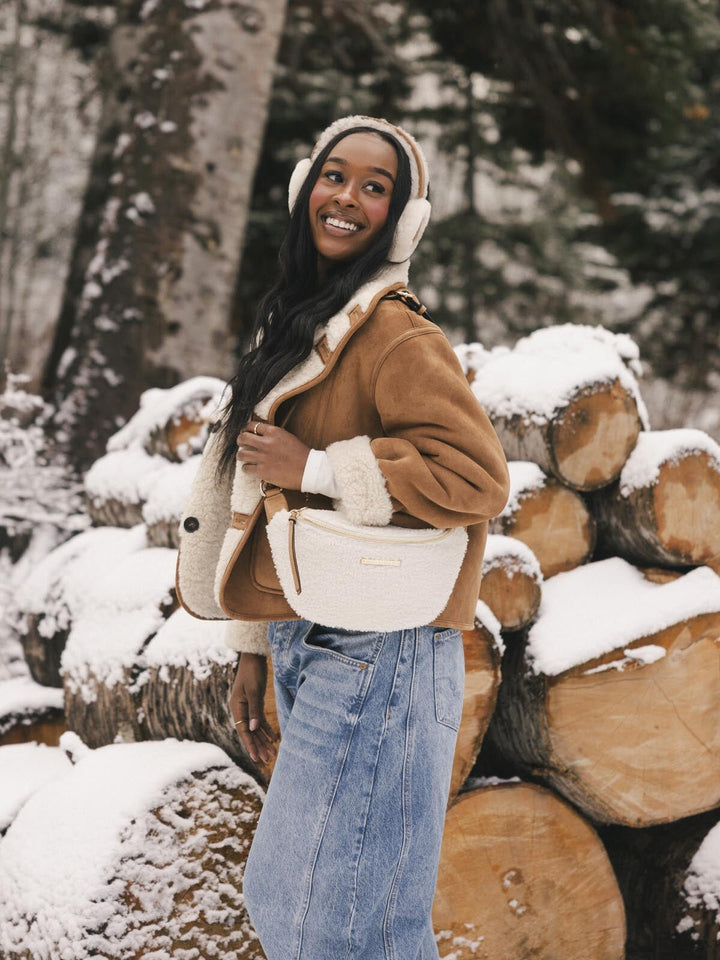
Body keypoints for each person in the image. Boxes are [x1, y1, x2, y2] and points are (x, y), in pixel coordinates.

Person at [175, 115, 510, 960]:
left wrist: (320, 465)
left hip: (383, 651)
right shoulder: (302, 320)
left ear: (401, 219)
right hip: (316, 632)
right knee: (337, 915)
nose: (348, 198)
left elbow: (477, 478)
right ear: (304, 189)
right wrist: (254, 639)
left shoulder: (396, 333)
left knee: (326, 918)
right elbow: (259, 493)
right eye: (335, 176)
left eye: (375, 187)